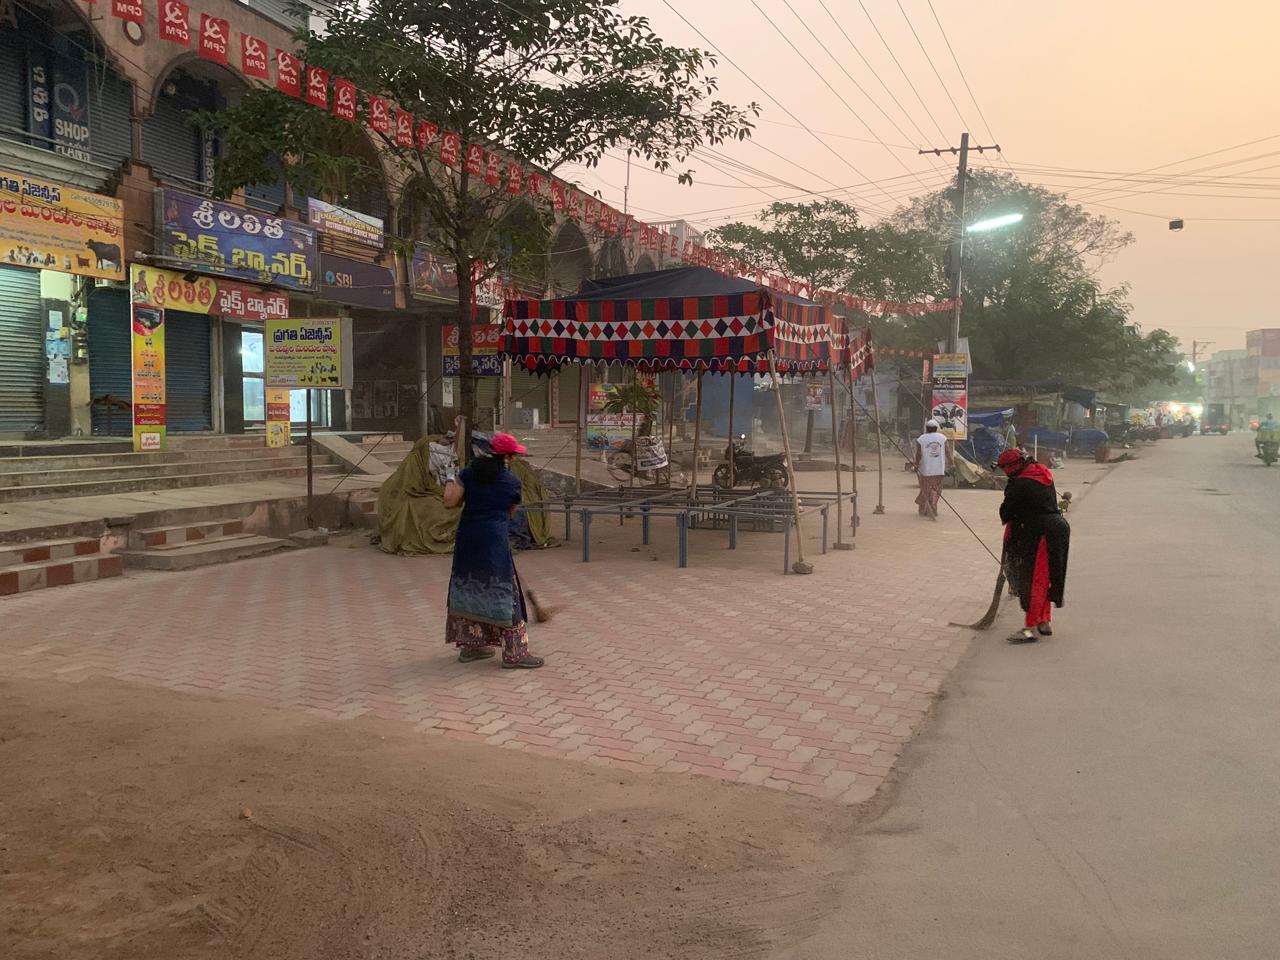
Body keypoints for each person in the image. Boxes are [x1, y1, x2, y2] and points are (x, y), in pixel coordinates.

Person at [442, 433, 544, 669]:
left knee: (469, 586)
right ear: (509, 457)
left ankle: (472, 646)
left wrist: (449, 476)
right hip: (494, 540)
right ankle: (515, 654)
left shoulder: (468, 474)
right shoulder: (511, 482)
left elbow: (450, 501)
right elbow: (510, 512)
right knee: (504, 591)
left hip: (468, 538)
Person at [996, 448, 1071, 644]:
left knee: (1034, 580)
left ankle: (1029, 628)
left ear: (1013, 466)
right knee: (1047, 578)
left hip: (1039, 534)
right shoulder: (1042, 472)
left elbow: (1007, 512)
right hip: (1057, 529)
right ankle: (1043, 621)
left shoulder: (1019, 483)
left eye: (1005, 468)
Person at [914, 419, 951, 520]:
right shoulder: (943, 438)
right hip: (939, 470)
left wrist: (916, 464)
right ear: (936, 428)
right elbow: (948, 451)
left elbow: (918, 454)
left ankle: (925, 508)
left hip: (925, 470)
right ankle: (932, 505)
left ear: (926, 428)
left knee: (925, 489)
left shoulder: (921, 439)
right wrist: (951, 463)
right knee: (936, 489)